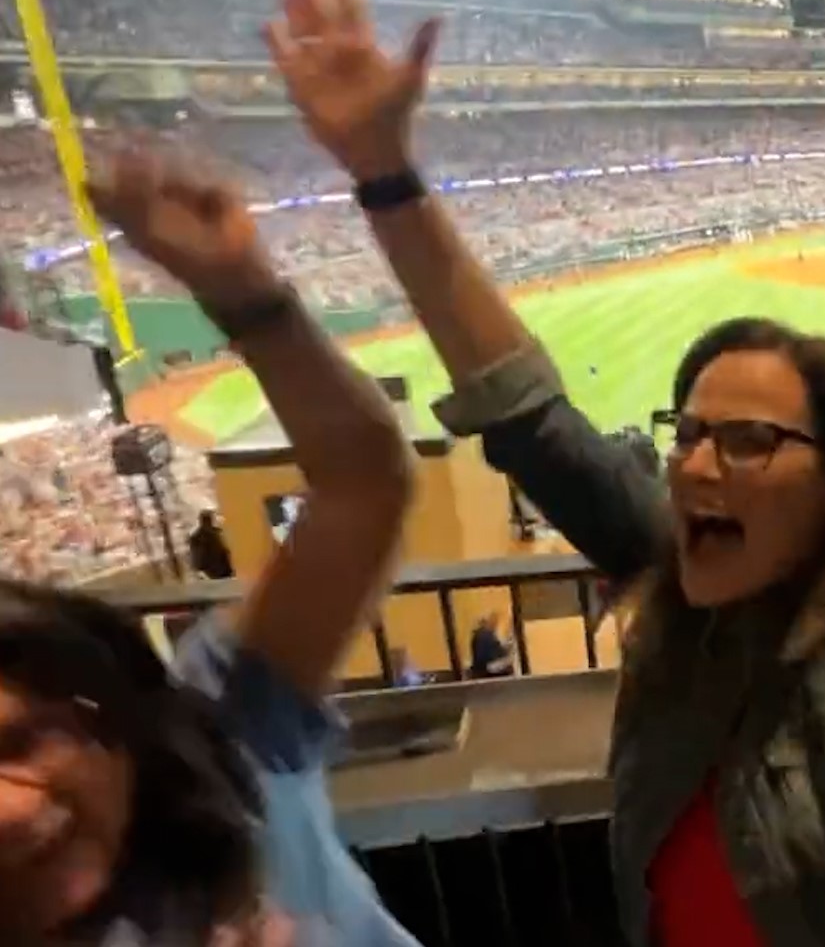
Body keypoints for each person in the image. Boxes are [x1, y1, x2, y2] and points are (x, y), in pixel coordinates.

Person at [263, 0, 825, 943]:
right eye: (688, 432)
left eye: (750, 440)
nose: (692, 465)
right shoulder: (681, 585)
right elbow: (528, 415)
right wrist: (385, 175)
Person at [0, 152, 418, 943]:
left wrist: (246, 295)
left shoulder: (217, 740)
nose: (12, 807)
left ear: (104, 717)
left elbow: (362, 480)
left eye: (23, 740)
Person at [187, 509, 234, 580]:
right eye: (214, 518)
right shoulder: (213, 534)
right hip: (219, 571)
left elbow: (197, 556)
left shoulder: (196, 536)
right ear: (211, 519)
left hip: (213, 572)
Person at [466, 611, 514, 680]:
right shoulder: (485, 635)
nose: (496, 624)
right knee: (509, 663)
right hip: (487, 672)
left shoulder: (479, 634)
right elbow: (496, 653)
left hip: (480, 671)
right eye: (494, 621)